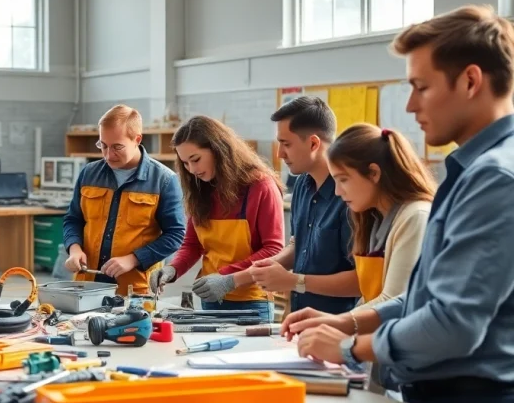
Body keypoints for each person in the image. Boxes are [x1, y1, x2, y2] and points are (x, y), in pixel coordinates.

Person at [285, 5, 514, 403]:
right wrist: (345, 323)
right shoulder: (470, 171)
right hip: (450, 397)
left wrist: (351, 348)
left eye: (421, 86)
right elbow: (423, 299)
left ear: (471, 81)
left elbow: (453, 323)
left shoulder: (495, 178)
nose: (410, 106)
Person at [149, 116, 284, 322]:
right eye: (185, 163)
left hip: (251, 302)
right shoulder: (201, 189)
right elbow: (193, 245)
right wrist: (172, 269)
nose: (192, 170)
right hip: (209, 298)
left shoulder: (260, 186)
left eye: (196, 159)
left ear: (218, 149)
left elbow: (273, 250)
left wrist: (227, 279)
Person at [248, 96, 361, 315]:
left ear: (313, 143)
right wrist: (270, 266)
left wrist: (294, 281)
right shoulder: (302, 185)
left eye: (286, 144)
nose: (280, 154)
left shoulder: (351, 196)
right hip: (299, 321)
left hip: (338, 329)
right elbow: (300, 244)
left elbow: (362, 280)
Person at [63, 104, 186, 296]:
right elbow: (73, 219)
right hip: (87, 284)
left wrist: (133, 259)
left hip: (136, 289)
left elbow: (176, 235)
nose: (108, 155)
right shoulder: (89, 174)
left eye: (117, 147)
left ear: (137, 139)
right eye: (103, 145)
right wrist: (74, 249)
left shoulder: (164, 180)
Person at [327, 124, 433, 310]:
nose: (337, 191)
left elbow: (394, 301)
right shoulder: (375, 219)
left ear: (374, 173)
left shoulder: (415, 217)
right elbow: (369, 299)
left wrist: (335, 324)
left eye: (343, 179)